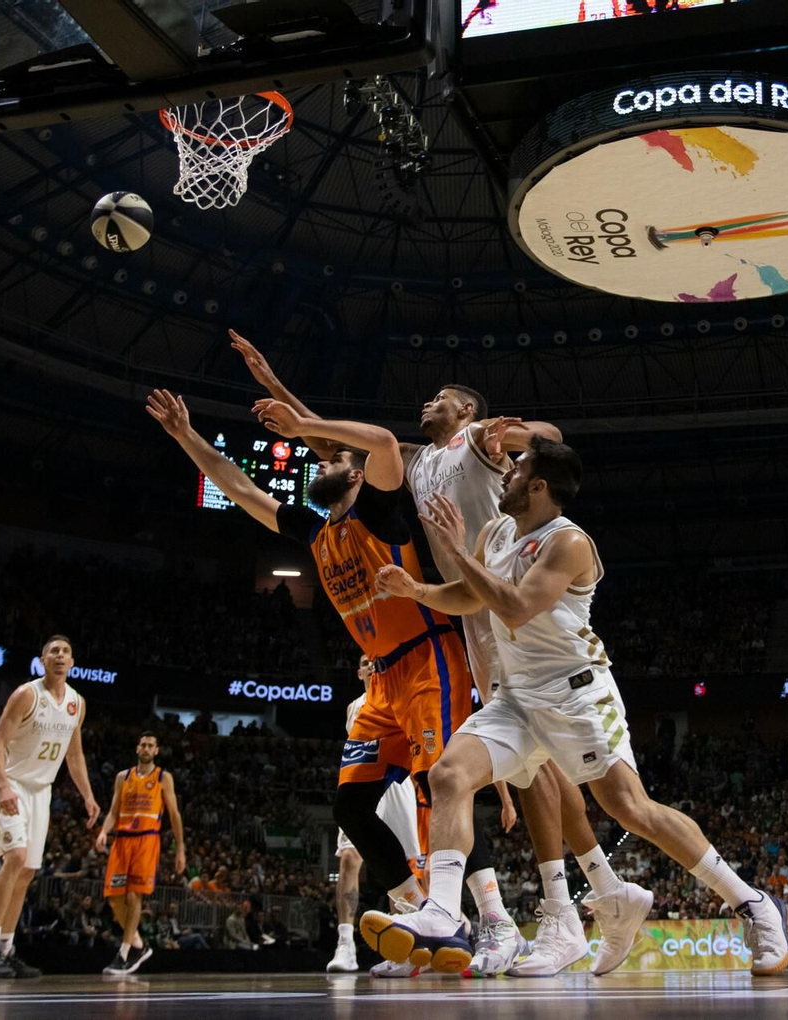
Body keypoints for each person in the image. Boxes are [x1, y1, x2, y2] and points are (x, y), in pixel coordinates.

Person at [232, 334, 632, 976]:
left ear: (468, 413)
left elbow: (550, 437)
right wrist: (280, 390)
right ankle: (586, 898)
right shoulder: (419, 462)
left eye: (443, 396)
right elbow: (342, 453)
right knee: (522, 771)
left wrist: (523, 435)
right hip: (472, 615)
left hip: (510, 600)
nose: (428, 400)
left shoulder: (478, 443)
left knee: (552, 771)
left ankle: (570, 905)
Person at [365, 439, 788, 976]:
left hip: (577, 694)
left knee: (632, 810)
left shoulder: (568, 543)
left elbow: (515, 607)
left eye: (516, 468)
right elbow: (470, 596)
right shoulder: (496, 531)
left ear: (539, 486)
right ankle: (441, 913)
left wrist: (452, 551)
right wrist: (417, 590)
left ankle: (752, 903)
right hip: (518, 697)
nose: (505, 473)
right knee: (449, 774)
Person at [146, 388, 506, 971]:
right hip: (383, 680)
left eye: (333, 460)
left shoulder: (380, 510)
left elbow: (386, 443)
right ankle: (416, 914)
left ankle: (493, 921)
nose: (321, 464)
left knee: (440, 783)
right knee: (351, 804)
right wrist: (186, 436)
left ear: (358, 477)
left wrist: (305, 421)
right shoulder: (315, 534)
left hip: (428, 660)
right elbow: (238, 487)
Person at [0, 635, 100, 978]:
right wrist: (2, 785)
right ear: (42, 661)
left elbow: (74, 755)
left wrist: (88, 796)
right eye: (53, 652)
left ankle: (5, 948)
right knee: (15, 857)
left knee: (29, 871)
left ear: (73, 662)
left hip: (40, 791)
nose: (60, 656)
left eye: (65, 652)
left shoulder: (77, 702)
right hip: (11, 784)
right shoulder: (26, 694)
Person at [327, 655, 424, 975]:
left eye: (374, 661)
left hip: (396, 783)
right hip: (361, 778)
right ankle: (345, 944)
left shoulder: (398, 693)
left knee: (400, 865)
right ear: (359, 672)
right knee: (348, 859)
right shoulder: (352, 707)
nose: (370, 665)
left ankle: (405, 948)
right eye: (364, 662)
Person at [95, 732, 187, 975]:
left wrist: (181, 848)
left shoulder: (163, 777)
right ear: (137, 749)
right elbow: (113, 811)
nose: (146, 748)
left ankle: (124, 953)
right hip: (122, 841)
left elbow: (174, 814)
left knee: (135, 896)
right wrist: (103, 832)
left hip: (147, 839)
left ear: (156, 751)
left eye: (150, 745)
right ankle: (138, 943)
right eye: (143, 745)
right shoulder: (122, 777)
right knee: (114, 898)